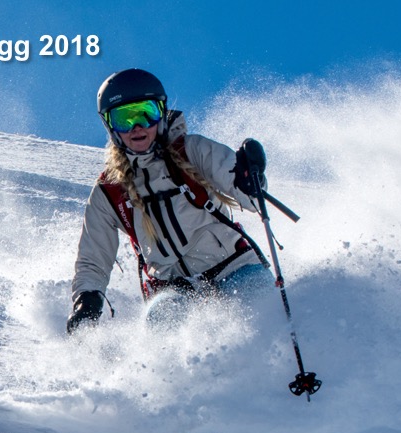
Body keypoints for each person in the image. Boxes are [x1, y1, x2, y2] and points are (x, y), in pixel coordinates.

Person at [66, 68, 270, 334]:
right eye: (124, 118)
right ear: (110, 125)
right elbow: (94, 256)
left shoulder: (193, 151)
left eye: (146, 113)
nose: (137, 127)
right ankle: (182, 377)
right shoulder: (110, 191)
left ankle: (285, 369)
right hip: (173, 288)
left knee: (261, 300)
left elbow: (254, 201)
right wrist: (87, 300)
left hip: (233, 266)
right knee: (163, 322)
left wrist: (250, 180)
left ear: (161, 114)